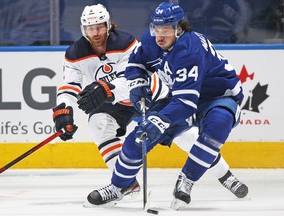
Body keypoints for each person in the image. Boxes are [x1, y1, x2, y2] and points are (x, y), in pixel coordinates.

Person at [84, 2, 248, 210]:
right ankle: (118, 186)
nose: (159, 36)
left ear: (179, 28)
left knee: (218, 123)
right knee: (141, 136)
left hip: (216, 97)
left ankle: (187, 180)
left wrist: (160, 120)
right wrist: (137, 85)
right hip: (180, 96)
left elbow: (186, 103)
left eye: (166, 30)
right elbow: (136, 63)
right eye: (156, 29)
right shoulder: (152, 41)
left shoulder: (189, 50)